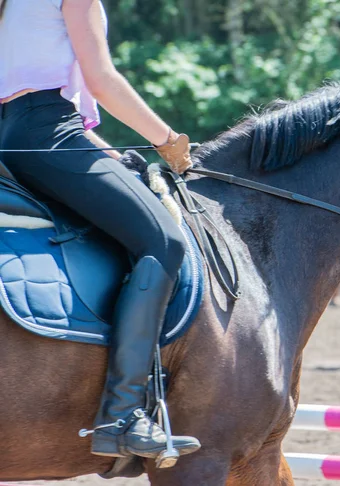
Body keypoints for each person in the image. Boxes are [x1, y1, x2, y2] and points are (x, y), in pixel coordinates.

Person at [0, 0, 201, 462]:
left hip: (19, 137)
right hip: (48, 134)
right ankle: (123, 414)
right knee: (163, 242)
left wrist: (108, 154)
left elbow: (38, 102)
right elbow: (101, 80)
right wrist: (169, 142)